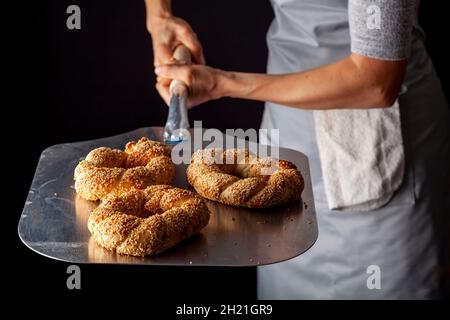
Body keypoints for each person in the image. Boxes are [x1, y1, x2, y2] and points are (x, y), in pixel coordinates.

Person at [145, 0, 450, 299]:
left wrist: (222, 84)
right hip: (288, 123)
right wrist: (159, 17)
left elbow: (376, 82)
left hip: (377, 140)